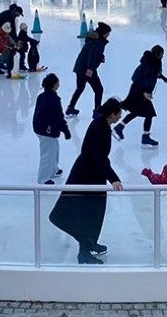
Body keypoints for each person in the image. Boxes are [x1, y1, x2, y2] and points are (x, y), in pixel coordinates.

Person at [49, 97, 123, 265]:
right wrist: (114, 179)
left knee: (94, 212)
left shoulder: (101, 124)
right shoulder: (100, 128)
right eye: (119, 113)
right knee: (88, 213)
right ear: (112, 114)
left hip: (92, 174)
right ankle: (84, 252)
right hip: (87, 176)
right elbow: (99, 158)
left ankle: (89, 242)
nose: (120, 117)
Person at [114, 45, 167, 148]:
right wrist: (146, 92)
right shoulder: (151, 64)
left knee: (136, 111)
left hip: (136, 88)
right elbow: (148, 77)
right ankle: (145, 137)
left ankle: (120, 127)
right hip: (140, 91)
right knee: (149, 113)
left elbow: (154, 74)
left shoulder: (150, 61)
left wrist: (162, 77)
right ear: (159, 55)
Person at [66, 22, 111, 117]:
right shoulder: (98, 42)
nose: (108, 35)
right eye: (108, 33)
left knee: (80, 88)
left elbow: (91, 52)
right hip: (87, 69)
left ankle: (70, 108)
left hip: (80, 67)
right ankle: (97, 111)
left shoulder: (93, 39)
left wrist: (100, 56)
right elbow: (91, 55)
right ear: (104, 33)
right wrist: (90, 69)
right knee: (99, 89)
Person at [32, 74, 71, 184]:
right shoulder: (53, 99)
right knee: (48, 154)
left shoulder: (42, 96)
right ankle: (43, 178)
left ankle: (53, 170)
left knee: (54, 149)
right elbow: (58, 117)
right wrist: (65, 130)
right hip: (46, 130)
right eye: (57, 82)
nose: (59, 84)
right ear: (54, 85)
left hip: (41, 127)